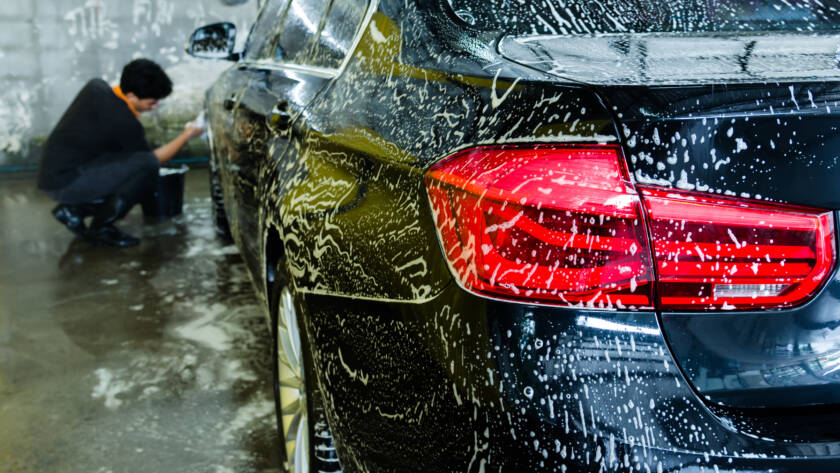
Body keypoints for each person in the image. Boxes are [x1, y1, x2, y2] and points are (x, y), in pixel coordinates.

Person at [37, 58, 204, 248]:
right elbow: (152, 159)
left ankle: (74, 211)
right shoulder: (122, 120)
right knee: (145, 168)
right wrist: (187, 135)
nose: (155, 107)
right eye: (152, 102)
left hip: (55, 173)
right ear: (132, 96)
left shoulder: (96, 88)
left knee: (132, 165)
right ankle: (101, 227)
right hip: (65, 183)